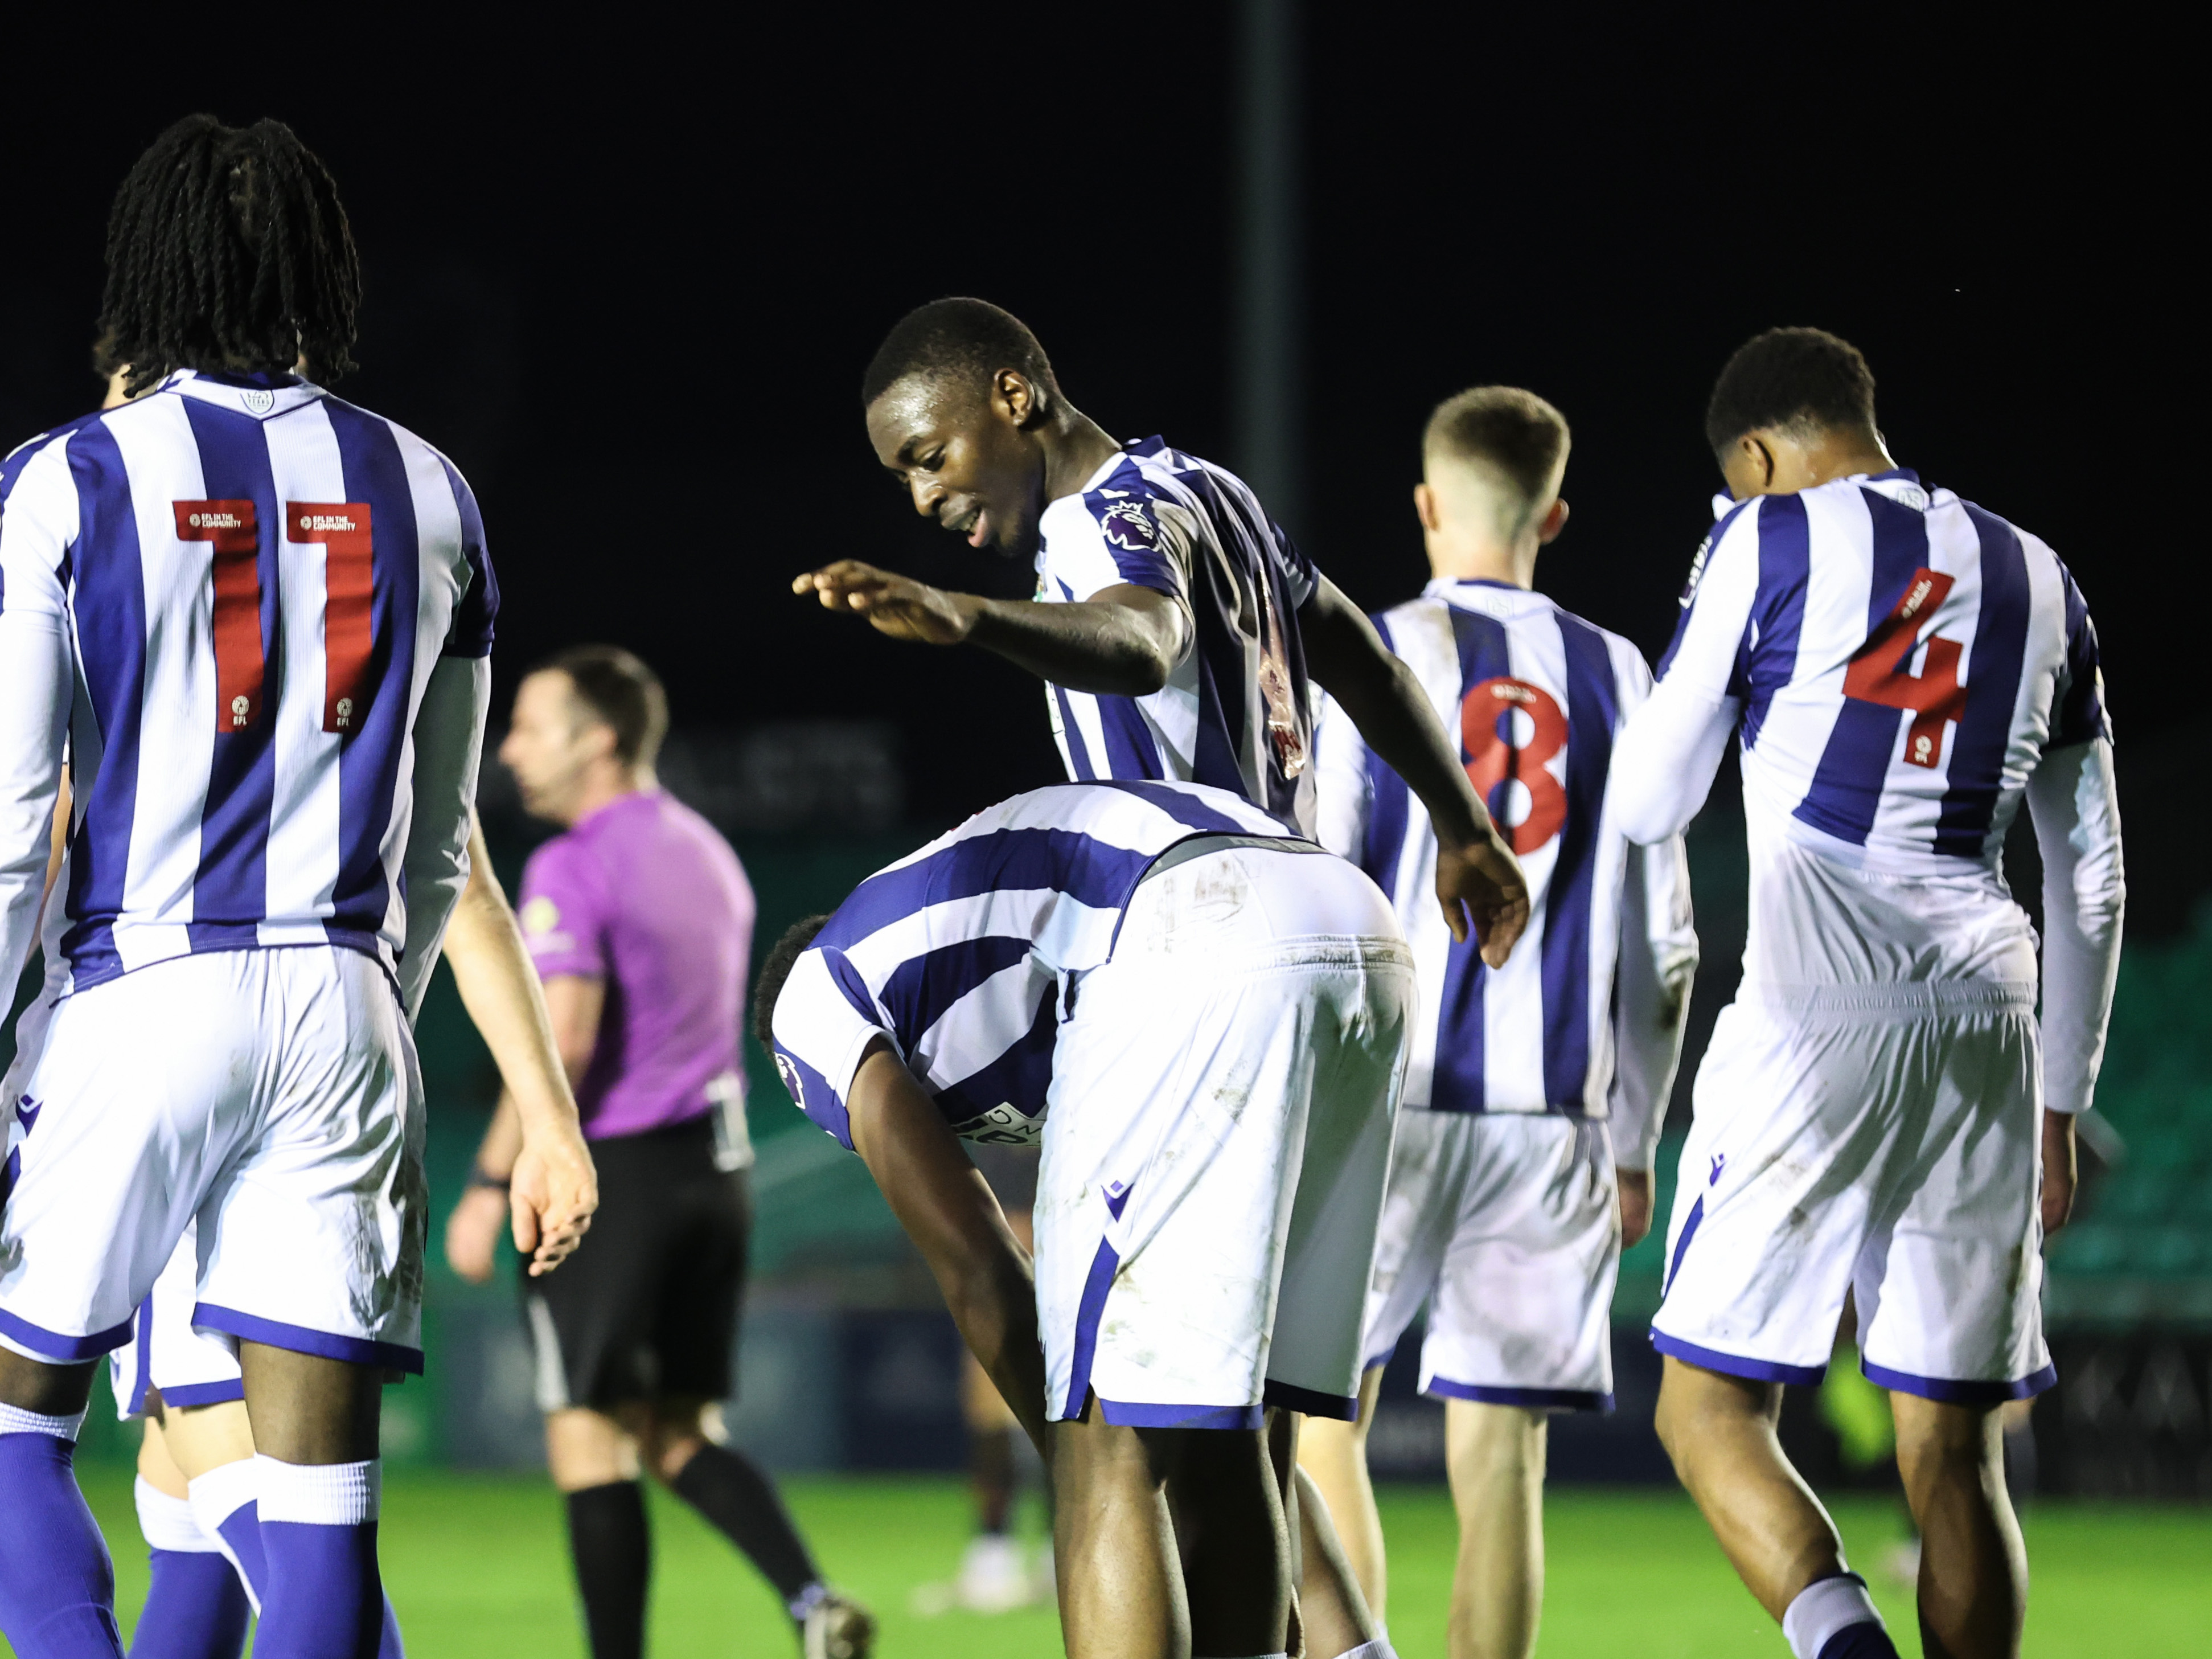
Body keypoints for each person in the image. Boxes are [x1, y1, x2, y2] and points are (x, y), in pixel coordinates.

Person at [0, 114, 597, 1659]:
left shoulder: (66, 478)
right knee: (318, 1513)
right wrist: (357, 1029)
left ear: (145, 271)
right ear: (323, 276)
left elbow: (13, 824)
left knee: (13, 1438)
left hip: (140, 990)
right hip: (345, 1007)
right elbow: (442, 841)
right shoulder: (435, 489)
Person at [1610, 328, 2125, 1659]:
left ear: (1760, 455)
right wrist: (2061, 1098)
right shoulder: (2039, 574)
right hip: (1986, 1018)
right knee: (1953, 1453)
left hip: (1813, 1001)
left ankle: (1841, 1644)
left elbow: (1650, 799)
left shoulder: (1761, 540)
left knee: (1703, 1410)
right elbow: (2094, 876)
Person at [757, 780, 1411, 1659]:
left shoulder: (809, 998)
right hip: (1356, 929)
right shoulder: (946, 946)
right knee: (1238, 1430)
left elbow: (978, 1263)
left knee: (1107, 1449)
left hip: (1195, 929)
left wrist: (1070, 1447)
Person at [1298, 388, 1699, 1659]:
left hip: (1380, 1109)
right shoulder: (1621, 673)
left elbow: (1319, 880)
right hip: (1552, 1120)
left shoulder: (1372, 647)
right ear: (1555, 516)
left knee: (1313, 1426)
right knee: (1501, 1465)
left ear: (1425, 505)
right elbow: (1667, 943)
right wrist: (1633, 1136)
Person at [794, 295, 1529, 967]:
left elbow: (1145, 643)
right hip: (1327, 918)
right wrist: (1465, 829)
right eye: (905, 479)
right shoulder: (1210, 490)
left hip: (1205, 931)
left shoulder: (1094, 518)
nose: (923, 498)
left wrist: (969, 615)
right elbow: (1371, 670)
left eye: (929, 458)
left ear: (1013, 396)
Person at [443, 647, 872, 1659]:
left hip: (616, 1177)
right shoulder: (707, 852)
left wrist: (492, 1178)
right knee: (677, 1430)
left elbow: (571, 1037)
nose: (507, 748)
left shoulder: (570, 863)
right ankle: (811, 1601)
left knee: (589, 1436)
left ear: (598, 739)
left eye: (528, 726)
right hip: (713, 1176)